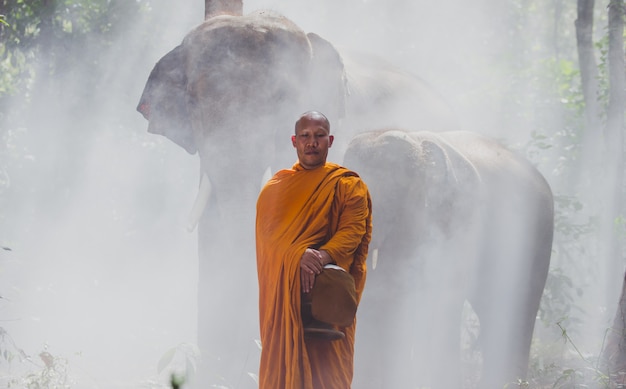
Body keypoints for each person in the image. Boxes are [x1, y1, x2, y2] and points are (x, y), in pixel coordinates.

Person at [255, 111, 372, 389]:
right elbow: (268, 241)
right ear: (294, 141)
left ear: (330, 141)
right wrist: (298, 256)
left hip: (329, 307)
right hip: (286, 302)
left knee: (329, 375)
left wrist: (320, 257)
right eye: (305, 136)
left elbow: (352, 231)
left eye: (319, 136)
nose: (312, 142)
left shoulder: (347, 184)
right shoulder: (275, 189)